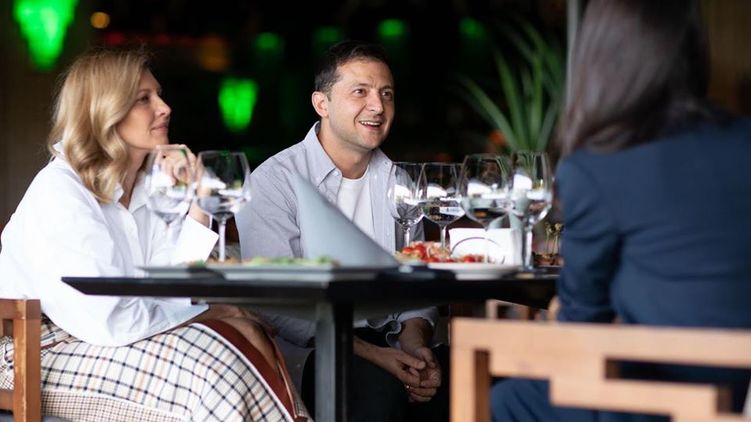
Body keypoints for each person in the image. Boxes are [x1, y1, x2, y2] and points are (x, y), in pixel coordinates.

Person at [0, 48, 308, 421]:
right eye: (144, 99)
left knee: (241, 344)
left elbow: (171, 287)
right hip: (37, 352)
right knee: (215, 367)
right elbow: (109, 322)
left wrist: (198, 203)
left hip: (116, 336)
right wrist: (213, 311)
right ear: (104, 110)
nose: (165, 108)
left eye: (158, 95)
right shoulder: (61, 190)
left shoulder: (149, 186)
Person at [491, 1, 751, 421]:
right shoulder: (743, 139)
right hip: (741, 391)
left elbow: (582, 322)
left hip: (658, 393)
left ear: (599, 57)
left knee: (506, 400)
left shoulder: (598, 166)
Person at [235, 40, 448, 421]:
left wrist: (415, 347)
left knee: (464, 378)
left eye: (386, 94)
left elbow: (417, 285)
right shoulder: (275, 181)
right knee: (378, 390)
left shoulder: (399, 182)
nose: (378, 106)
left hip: (392, 338)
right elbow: (278, 302)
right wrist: (377, 356)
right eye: (360, 92)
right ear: (322, 103)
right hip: (314, 349)